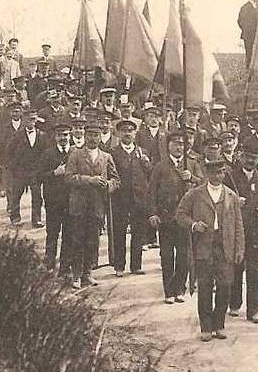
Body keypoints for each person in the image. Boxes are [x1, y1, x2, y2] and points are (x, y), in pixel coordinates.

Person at [176, 159, 245, 341]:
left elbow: (238, 224)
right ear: (207, 174)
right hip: (204, 246)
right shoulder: (196, 194)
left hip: (225, 247)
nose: (218, 176)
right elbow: (180, 214)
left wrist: (239, 248)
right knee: (205, 287)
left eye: (222, 172)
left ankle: (219, 324)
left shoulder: (231, 196)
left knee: (224, 286)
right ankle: (206, 327)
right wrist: (193, 225)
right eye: (214, 172)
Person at [148, 130, 203, 304]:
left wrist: (192, 178)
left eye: (182, 144)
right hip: (166, 217)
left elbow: (204, 184)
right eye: (175, 143)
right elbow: (151, 193)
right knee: (166, 255)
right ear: (169, 146)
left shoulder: (192, 164)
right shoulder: (160, 166)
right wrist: (153, 213)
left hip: (186, 218)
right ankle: (169, 291)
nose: (179, 147)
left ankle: (180, 288)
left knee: (184, 255)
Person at [64, 121, 121, 288]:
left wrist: (108, 185)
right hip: (79, 204)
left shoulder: (106, 157)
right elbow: (68, 177)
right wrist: (90, 180)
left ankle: (87, 273)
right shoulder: (75, 154)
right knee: (77, 239)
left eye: (96, 135)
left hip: (97, 205)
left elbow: (116, 179)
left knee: (92, 241)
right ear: (84, 135)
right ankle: (76, 275)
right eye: (89, 134)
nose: (92, 138)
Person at [225, 142, 258, 323]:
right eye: (247, 157)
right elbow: (221, 197)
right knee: (236, 267)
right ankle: (234, 303)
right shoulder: (230, 177)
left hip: (256, 232)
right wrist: (233, 201)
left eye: (254, 158)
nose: (250, 161)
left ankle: (253, 310)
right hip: (237, 230)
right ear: (241, 157)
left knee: (254, 271)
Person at [109, 119, 152, 277]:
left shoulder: (143, 152)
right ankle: (119, 266)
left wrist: (146, 163)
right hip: (120, 199)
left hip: (139, 199)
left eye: (130, 131)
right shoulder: (112, 153)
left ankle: (136, 265)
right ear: (119, 133)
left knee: (138, 232)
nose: (127, 133)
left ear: (135, 133)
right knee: (119, 232)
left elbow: (150, 174)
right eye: (124, 131)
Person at [39, 120, 75, 279]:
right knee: (52, 232)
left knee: (69, 234)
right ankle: (49, 263)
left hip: (70, 201)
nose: (63, 138)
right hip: (53, 201)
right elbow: (38, 176)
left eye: (66, 135)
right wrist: (54, 173)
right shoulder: (48, 154)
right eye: (60, 135)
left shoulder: (75, 153)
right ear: (55, 137)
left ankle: (65, 267)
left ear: (70, 136)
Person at [6, 108, 48, 228]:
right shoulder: (17, 135)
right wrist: (14, 167)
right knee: (16, 194)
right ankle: (15, 217)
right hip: (21, 170)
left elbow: (45, 154)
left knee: (37, 196)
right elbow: (9, 151)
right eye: (29, 119)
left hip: (35, 171)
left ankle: (37, 219)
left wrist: (41, 168)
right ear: (24, 120)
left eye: (33, 119)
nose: (31, 122)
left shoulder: (42, 135)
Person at [237, 0, 258, 67]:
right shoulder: (245, 7)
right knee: (249, 52)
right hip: (248, 34)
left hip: (257, 34)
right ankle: (248, 67)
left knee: (256, 52)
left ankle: (254, 67)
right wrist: (246, 29)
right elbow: (240, 21)